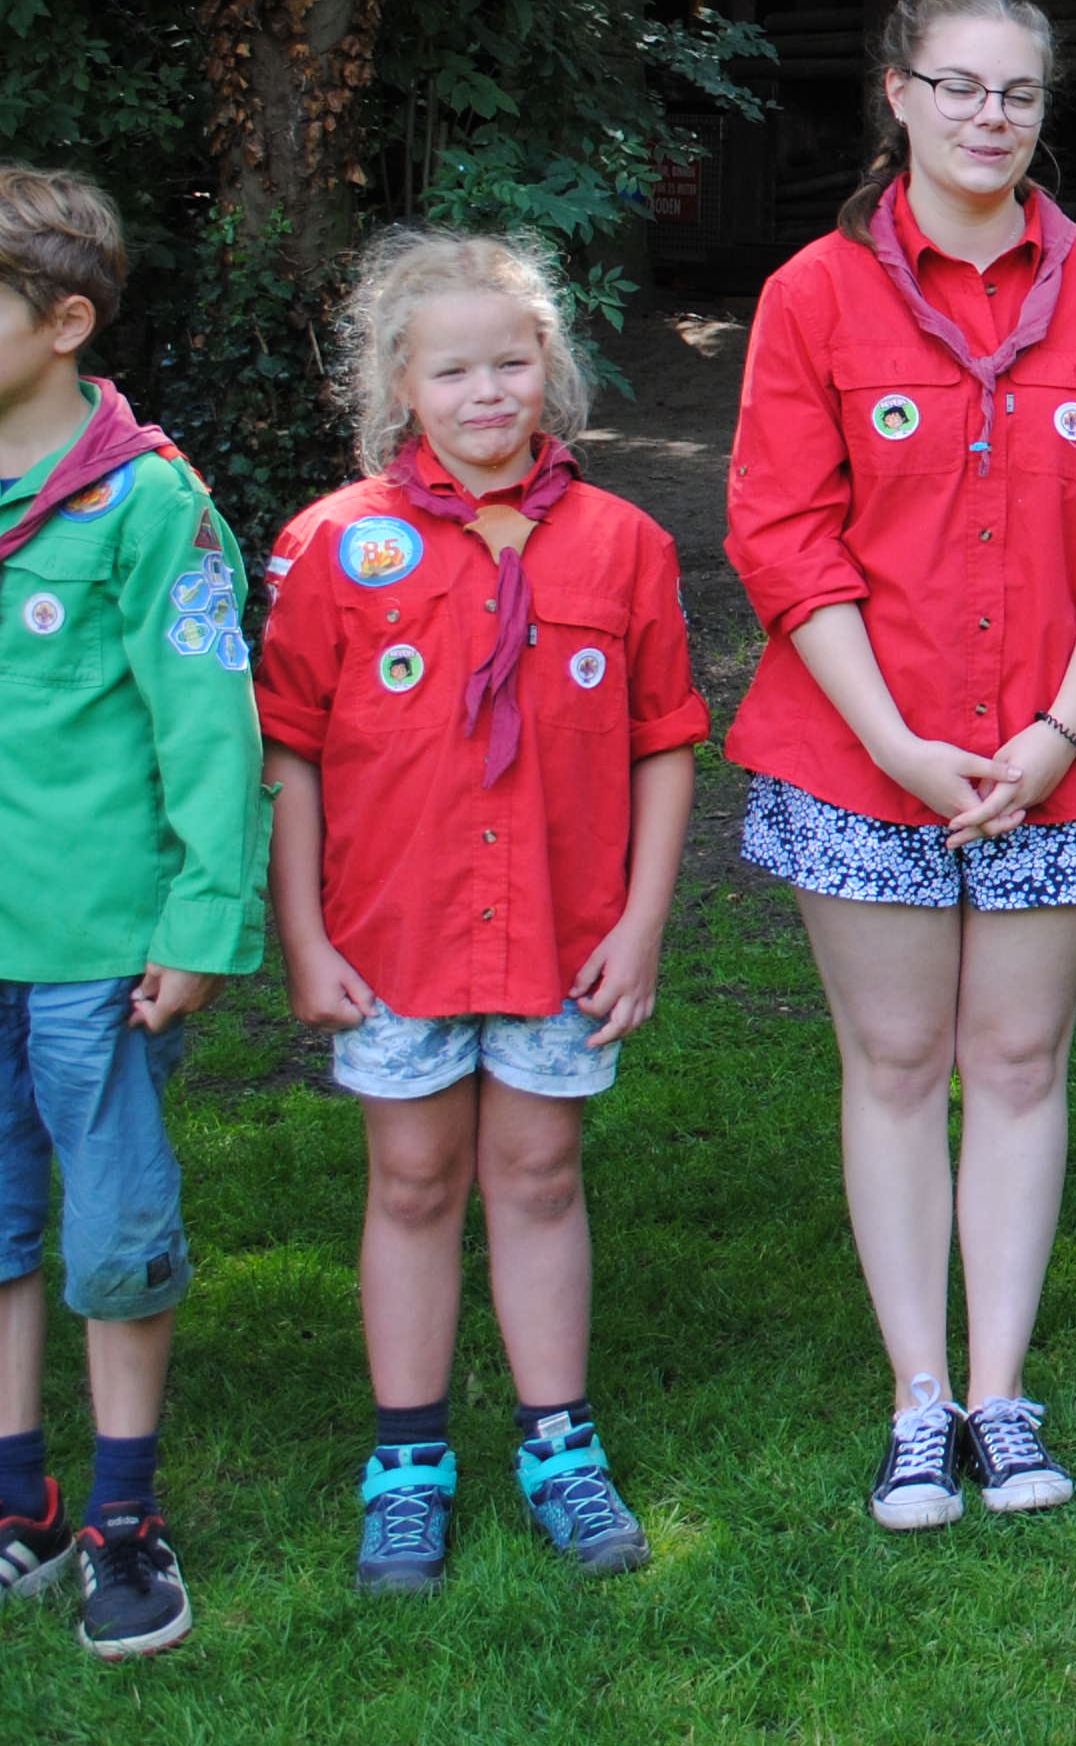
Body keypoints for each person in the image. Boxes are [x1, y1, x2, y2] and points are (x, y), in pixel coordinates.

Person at [724, 0, 1076, 1530]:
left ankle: (1000, 1394)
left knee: (1016, 1062)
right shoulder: (815, 296)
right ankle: (916, 1398)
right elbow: (783, 538)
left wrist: (1059, 732)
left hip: (1064, 751)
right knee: (895, 1063)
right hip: (863, 750)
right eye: (961, 87)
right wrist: (896, 744)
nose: (991, 117)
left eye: (1018, 93)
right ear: (899, 95)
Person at [255, 232, 704, 1592]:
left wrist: (640, 925)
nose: (486, 392)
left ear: (549, 368)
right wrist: (306, 937)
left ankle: (560, 1445)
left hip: (563, 938)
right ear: (399, 384)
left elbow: (663, 743)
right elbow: (290, 752)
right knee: (410, 1180)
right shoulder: (332, 547)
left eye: (511, 362)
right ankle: (408, 1461)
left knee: (540, 1173)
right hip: (394, 938)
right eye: (451, 370)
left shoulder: (622, 547)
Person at [0, 167, 265, 1660]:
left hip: (97, 953)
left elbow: (211, 728)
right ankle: (20, 1504)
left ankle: (122, 1519)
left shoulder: (146, 501)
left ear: (64, 324)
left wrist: (202, 923)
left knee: (113, 1234)